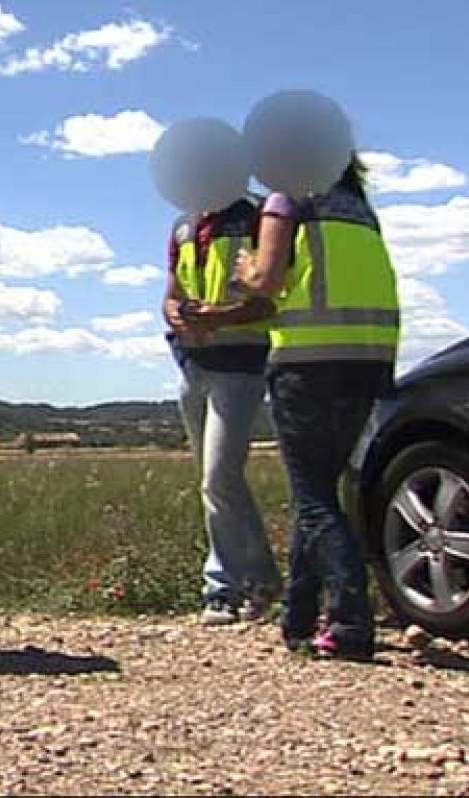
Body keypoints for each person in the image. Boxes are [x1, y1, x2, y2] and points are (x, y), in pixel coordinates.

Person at [234, 154, 399, 661]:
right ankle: (298, 618)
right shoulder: (358, 210)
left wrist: (245, 268)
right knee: (322, 491)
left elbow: (265, 280)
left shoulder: (287, 200)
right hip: (368, 361)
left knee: (313, 498)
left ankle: (352, 622)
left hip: (308, 362)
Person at [165, 196, 283, 626]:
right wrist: (177, 315)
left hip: (241, 365)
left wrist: (221, 317)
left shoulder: (258, 216)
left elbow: (271, 296)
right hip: (193, 366)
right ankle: (254, 581)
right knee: (212, 483)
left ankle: (228, 586)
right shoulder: (184, 225)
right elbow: (172, 292)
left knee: (220, 476)